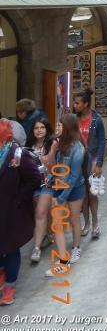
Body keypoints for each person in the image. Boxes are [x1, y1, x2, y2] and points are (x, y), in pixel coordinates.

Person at [0, 118, 42, 304]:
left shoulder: (18, 154)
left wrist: (19, 197)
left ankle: (9, 287)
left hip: (13, 211)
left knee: (11, 247)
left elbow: (34, 178)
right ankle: (2, 275)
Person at [44, 114, 87, 276]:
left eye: (60, 126)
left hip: (74, 189)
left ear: (67, 128)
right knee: (59, 223)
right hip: (60, 188)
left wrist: (61, 197)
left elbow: (74, 177)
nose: (56, 129)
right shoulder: (60, 144)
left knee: (74, 219)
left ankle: (74, 249)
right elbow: (56, 167)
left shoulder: (78, 149)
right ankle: (63, 259)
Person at [72, 89, 105, 240]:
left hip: (91, 160)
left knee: (92, 194)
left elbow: (101, 143)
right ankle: (86, 223)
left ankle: (96, 223)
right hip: (77, 161)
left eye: (77, 103)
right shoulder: (73, 119)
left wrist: (98, 163)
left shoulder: (97, 119)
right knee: (82, 195)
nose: (74, 105)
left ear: (85, 104)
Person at [25, 117, 55, 263]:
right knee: (39, 214)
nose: (39, 130)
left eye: (42, 127)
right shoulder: (28, 145)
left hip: (48, 183)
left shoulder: (52, 143)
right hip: (33, 184)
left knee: (40, 213)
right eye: (36, 128)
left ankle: (36, 248)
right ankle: (47, 234)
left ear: (47, 129)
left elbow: (52, 163)